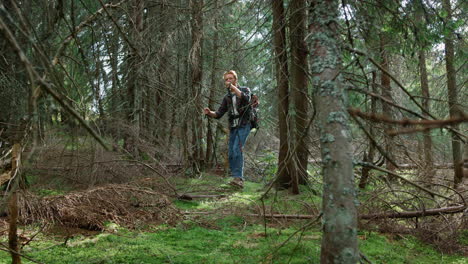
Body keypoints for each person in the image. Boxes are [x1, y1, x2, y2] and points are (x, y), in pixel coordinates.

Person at [203, 70, 251, 188]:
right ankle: (235, 178)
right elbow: (219, 114)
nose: (228, 81)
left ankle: (239, 179)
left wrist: (233, 88)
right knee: (230, 152)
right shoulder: (227, 97)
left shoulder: (245, 90)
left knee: (237, 149)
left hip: (245, 123)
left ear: (236, 79)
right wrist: (210, 113)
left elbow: (245, 99)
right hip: (233, 126)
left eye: (231, 78)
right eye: (226, 79)